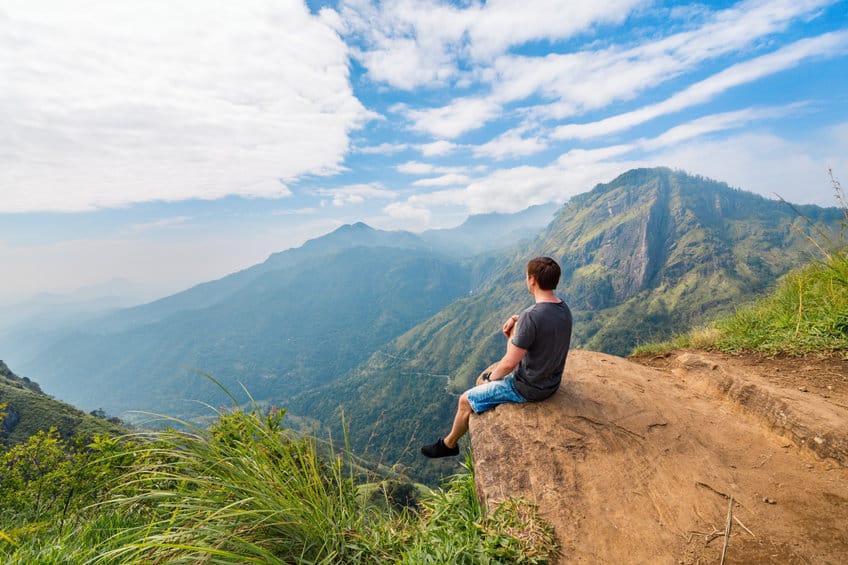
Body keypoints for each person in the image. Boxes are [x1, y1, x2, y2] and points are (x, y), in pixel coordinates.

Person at [421, 256, 573, 458]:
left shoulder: (532, 316)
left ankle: (449, 445)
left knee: (465, 400)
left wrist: (491, 377)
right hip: (552, 383)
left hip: (528, 388)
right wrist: (520, 324)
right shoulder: (563, 309)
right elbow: (544, 333)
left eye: (527, 277)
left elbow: (510, 362)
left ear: (533, 280)